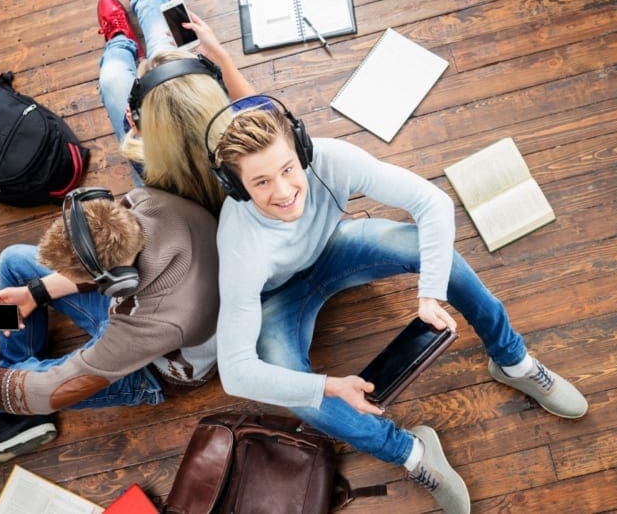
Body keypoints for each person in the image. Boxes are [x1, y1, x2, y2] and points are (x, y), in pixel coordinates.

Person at [210, 100, 588, 514]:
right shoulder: (239, 244)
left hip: (336, 248)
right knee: (300, 396)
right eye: (261, 182)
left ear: (301, 150)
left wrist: (430, 292)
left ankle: (512, 361)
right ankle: (412, 452)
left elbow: (434, 203)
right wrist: (331, 386)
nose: (282, 192)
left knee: (441, 258)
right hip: (279, 298)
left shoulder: (333, 158)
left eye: (287, 169)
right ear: (237, 186)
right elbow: (236, 372)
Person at [0, 186, 219, 467]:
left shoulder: (153, 320)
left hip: (154, 369)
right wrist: (35, 292)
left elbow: (53, 389)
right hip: (142, 310)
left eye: (74, 276)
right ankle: (19, 404)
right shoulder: (142, 202)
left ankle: (4, 403)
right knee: (13, 262)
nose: (60, 278)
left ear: (116, 283)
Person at [97, 0, 256, 213]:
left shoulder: (144, 158)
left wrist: (137, 138)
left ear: (137, 122)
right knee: (163, 44)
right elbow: (256, 105)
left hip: (169, 199)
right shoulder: (250, 136)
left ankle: (120, 40)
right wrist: (222, 57)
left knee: (114, 78)